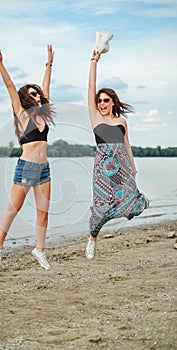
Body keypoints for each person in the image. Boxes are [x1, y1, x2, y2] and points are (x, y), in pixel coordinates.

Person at [0, 42, 55, 270]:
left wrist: (48, 64)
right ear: (26, 99)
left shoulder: (44, 115)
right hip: (26, 166)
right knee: (14, 209)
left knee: (43, 212)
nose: (38, 96)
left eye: (38, 94)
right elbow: (10, 86)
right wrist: (0, 63)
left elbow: (46, 87)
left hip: (44, 169)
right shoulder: (22, 114)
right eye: (33, 94)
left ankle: (39, 250)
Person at [86, 49, 149, 259]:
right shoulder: (95, 118)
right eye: (99, 101)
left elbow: (127, 145)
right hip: (102, 169)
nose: (101, 104)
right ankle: (93, 238)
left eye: (105, 100)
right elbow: (90, 87)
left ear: (112, 101)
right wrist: (94, 61)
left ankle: (131, 206)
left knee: (134, 201)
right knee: (102, 206)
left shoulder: (122, 122)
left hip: (122, 167)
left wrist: (133, 169)